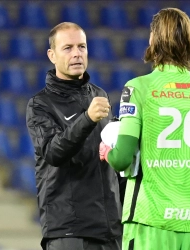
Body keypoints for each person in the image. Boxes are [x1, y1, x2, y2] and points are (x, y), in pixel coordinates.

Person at [99, 8, 190, 250]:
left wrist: (107, 153)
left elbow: (122, 158)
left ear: (154, 40)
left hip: (149, 220)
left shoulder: (137, 89)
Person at [26, 22, 123, 250]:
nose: (77, 53)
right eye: (68, 48)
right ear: (52, 55)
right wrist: (87, 118)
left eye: (82, 46)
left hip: (109, 230)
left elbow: (111, 159)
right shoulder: (40, 105)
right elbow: (53, 152)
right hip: (69, 232)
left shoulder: (99, 95)